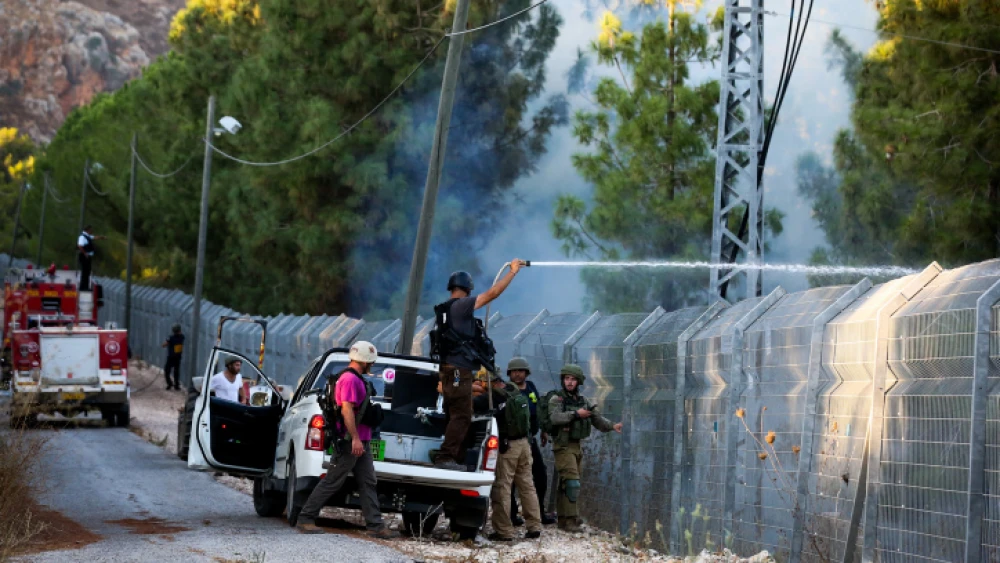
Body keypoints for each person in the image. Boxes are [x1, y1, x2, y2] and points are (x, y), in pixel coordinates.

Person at [296, 341, 399, 539]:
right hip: (351, 441)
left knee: (368, 482)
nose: (372, 365)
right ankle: (305, 518)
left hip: (360, 441)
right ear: (366, 361)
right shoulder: (350, 380)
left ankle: (375, 526)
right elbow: (346, 410)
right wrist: (355, 439)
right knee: (333, 481)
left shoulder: (354, 378)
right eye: (371, 361)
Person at [431, 260, 524, 471]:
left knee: (454, 411)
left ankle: (454, 456)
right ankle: (445, 458)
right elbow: (492, 294)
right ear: (466, 290)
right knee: (462, 414)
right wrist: (512, 273)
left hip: (449, 370)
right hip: (457, 372)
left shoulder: (445, 310)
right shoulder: (461, 305)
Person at [548, 363, 623, 533]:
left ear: (578, 382)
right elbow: (555, 418)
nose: (569, 382)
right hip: (563, 445)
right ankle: (571, 520)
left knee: (567, 483)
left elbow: (597, 419)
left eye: (573, 379)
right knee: (572, 483)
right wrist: (575, 415)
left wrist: (613, 426)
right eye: (567, 378)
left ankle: (564, 519)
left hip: (577, 446)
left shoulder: (584, 401)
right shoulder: (557, 400)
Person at [474, 369, 542, 542]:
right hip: (525, 445)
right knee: (527, 485)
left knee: (502, 487)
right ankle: (534, 526)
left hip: (508, 447)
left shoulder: (492, 397)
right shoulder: (513, 389)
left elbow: (470, 405)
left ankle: (504, 531)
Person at [506, 357, 557, 526]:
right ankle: (511, 515)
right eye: (514, 371)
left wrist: (543, 430)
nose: (517, 374)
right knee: (510, 480)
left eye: (520, 371)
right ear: (509, 374)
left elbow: (538, 410)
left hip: (530, 439)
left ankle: (539, 513)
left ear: (526, 373)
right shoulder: (507, 390)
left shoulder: (531, 388)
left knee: (540, 476)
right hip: (511, 440)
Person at [76, 225, 104, 291]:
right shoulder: (82, 237)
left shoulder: (87, 236)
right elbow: (80, 246)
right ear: (87, 230)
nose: (92, 231)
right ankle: (83, 287)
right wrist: (85, 253)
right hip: (84, 256)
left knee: (87, 271)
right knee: (85, 272)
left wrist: (101, 237)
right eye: (91, 230)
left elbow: (93, 237)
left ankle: (85, 286)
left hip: (87, 256)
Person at [161, 324, 184, 391]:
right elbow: (180, 335)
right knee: (176, 372)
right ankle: (176, 385)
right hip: (178, 357)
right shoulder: (182, 337)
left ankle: (170, 383)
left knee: (167, 371)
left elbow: (164, 345)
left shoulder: (171, 338)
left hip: (171, 357)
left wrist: (164, 343)